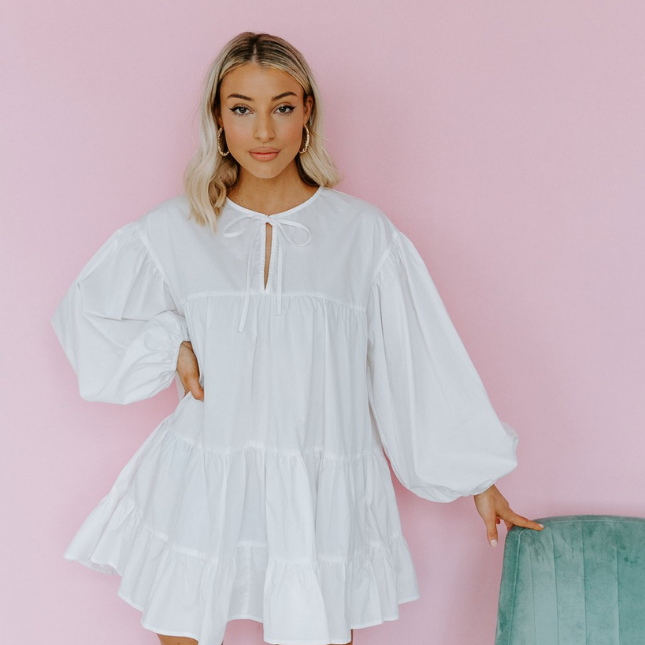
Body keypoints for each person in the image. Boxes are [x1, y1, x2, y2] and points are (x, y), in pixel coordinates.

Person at [51, 31, 543, 645]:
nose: (263, 131)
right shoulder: (176, 229)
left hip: (318, 488)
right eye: (242, 109)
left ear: (307, 111)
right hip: (205, 478)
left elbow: (415, 360)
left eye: (282, 107)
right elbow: (86, 315)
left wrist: (476, 479)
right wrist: (170, 344)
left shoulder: (362, 235)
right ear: (217, 117)